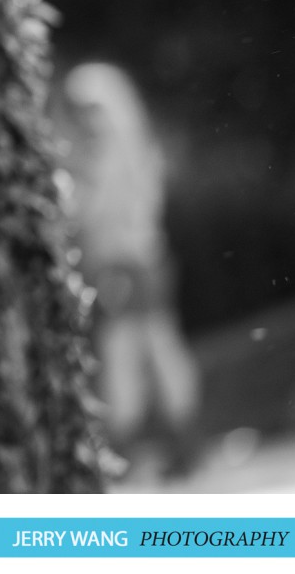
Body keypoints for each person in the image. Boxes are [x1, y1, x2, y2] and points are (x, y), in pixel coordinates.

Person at [61, 61, 201, 478]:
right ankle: (173, 440)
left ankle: (141, 445)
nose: (88, 120)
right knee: (152, 349)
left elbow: (103, 216)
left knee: (133, 352)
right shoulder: (130, 149)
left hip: (128, 263)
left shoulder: (115, 155)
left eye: (92, 109)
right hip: (138, 261)